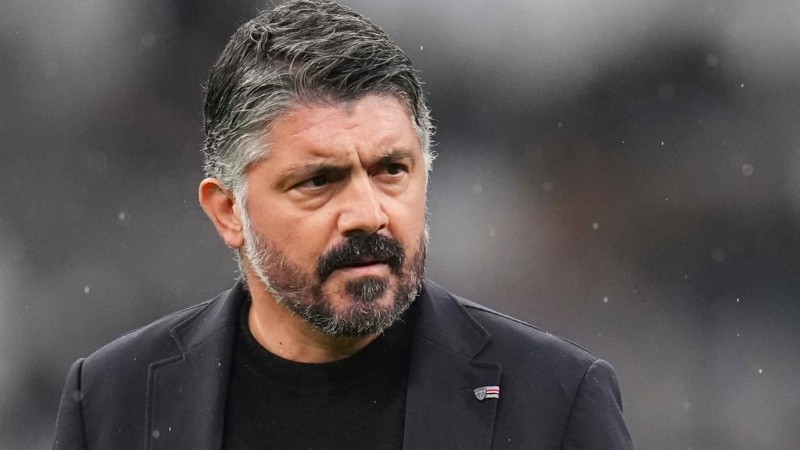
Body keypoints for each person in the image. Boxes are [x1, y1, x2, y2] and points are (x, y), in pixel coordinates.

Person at [54, 1, 632, 448]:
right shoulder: (111, 401)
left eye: (391, 170)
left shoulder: (555, 399)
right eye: (318, 181)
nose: (367, 215)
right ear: (228, 211)